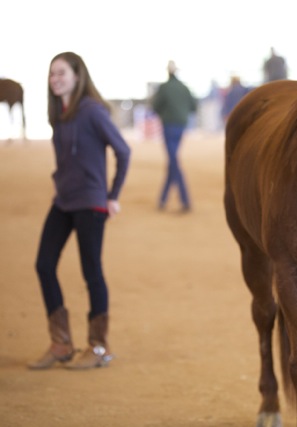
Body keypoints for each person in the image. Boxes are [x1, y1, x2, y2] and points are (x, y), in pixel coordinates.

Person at [29, 51, 131, 370]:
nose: (55, 79)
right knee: (44, 264)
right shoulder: (59, 113)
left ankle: (98, 347)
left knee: (91, 273)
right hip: (63, 200)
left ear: (77, 76)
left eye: (61, 73)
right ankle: (60, 342)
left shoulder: (92, 112)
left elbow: (123, 150)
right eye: (51, 74)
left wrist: (112, 195)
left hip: (90, 202)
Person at [152, 60, 197, 212]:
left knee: (173, 162)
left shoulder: (164, 87)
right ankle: (163, 200)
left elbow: (155, 106)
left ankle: (185, 200)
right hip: (181, 126)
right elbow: (193, 106)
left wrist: (164, 114)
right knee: (172, 161)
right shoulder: (184, 87)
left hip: (168, 126)